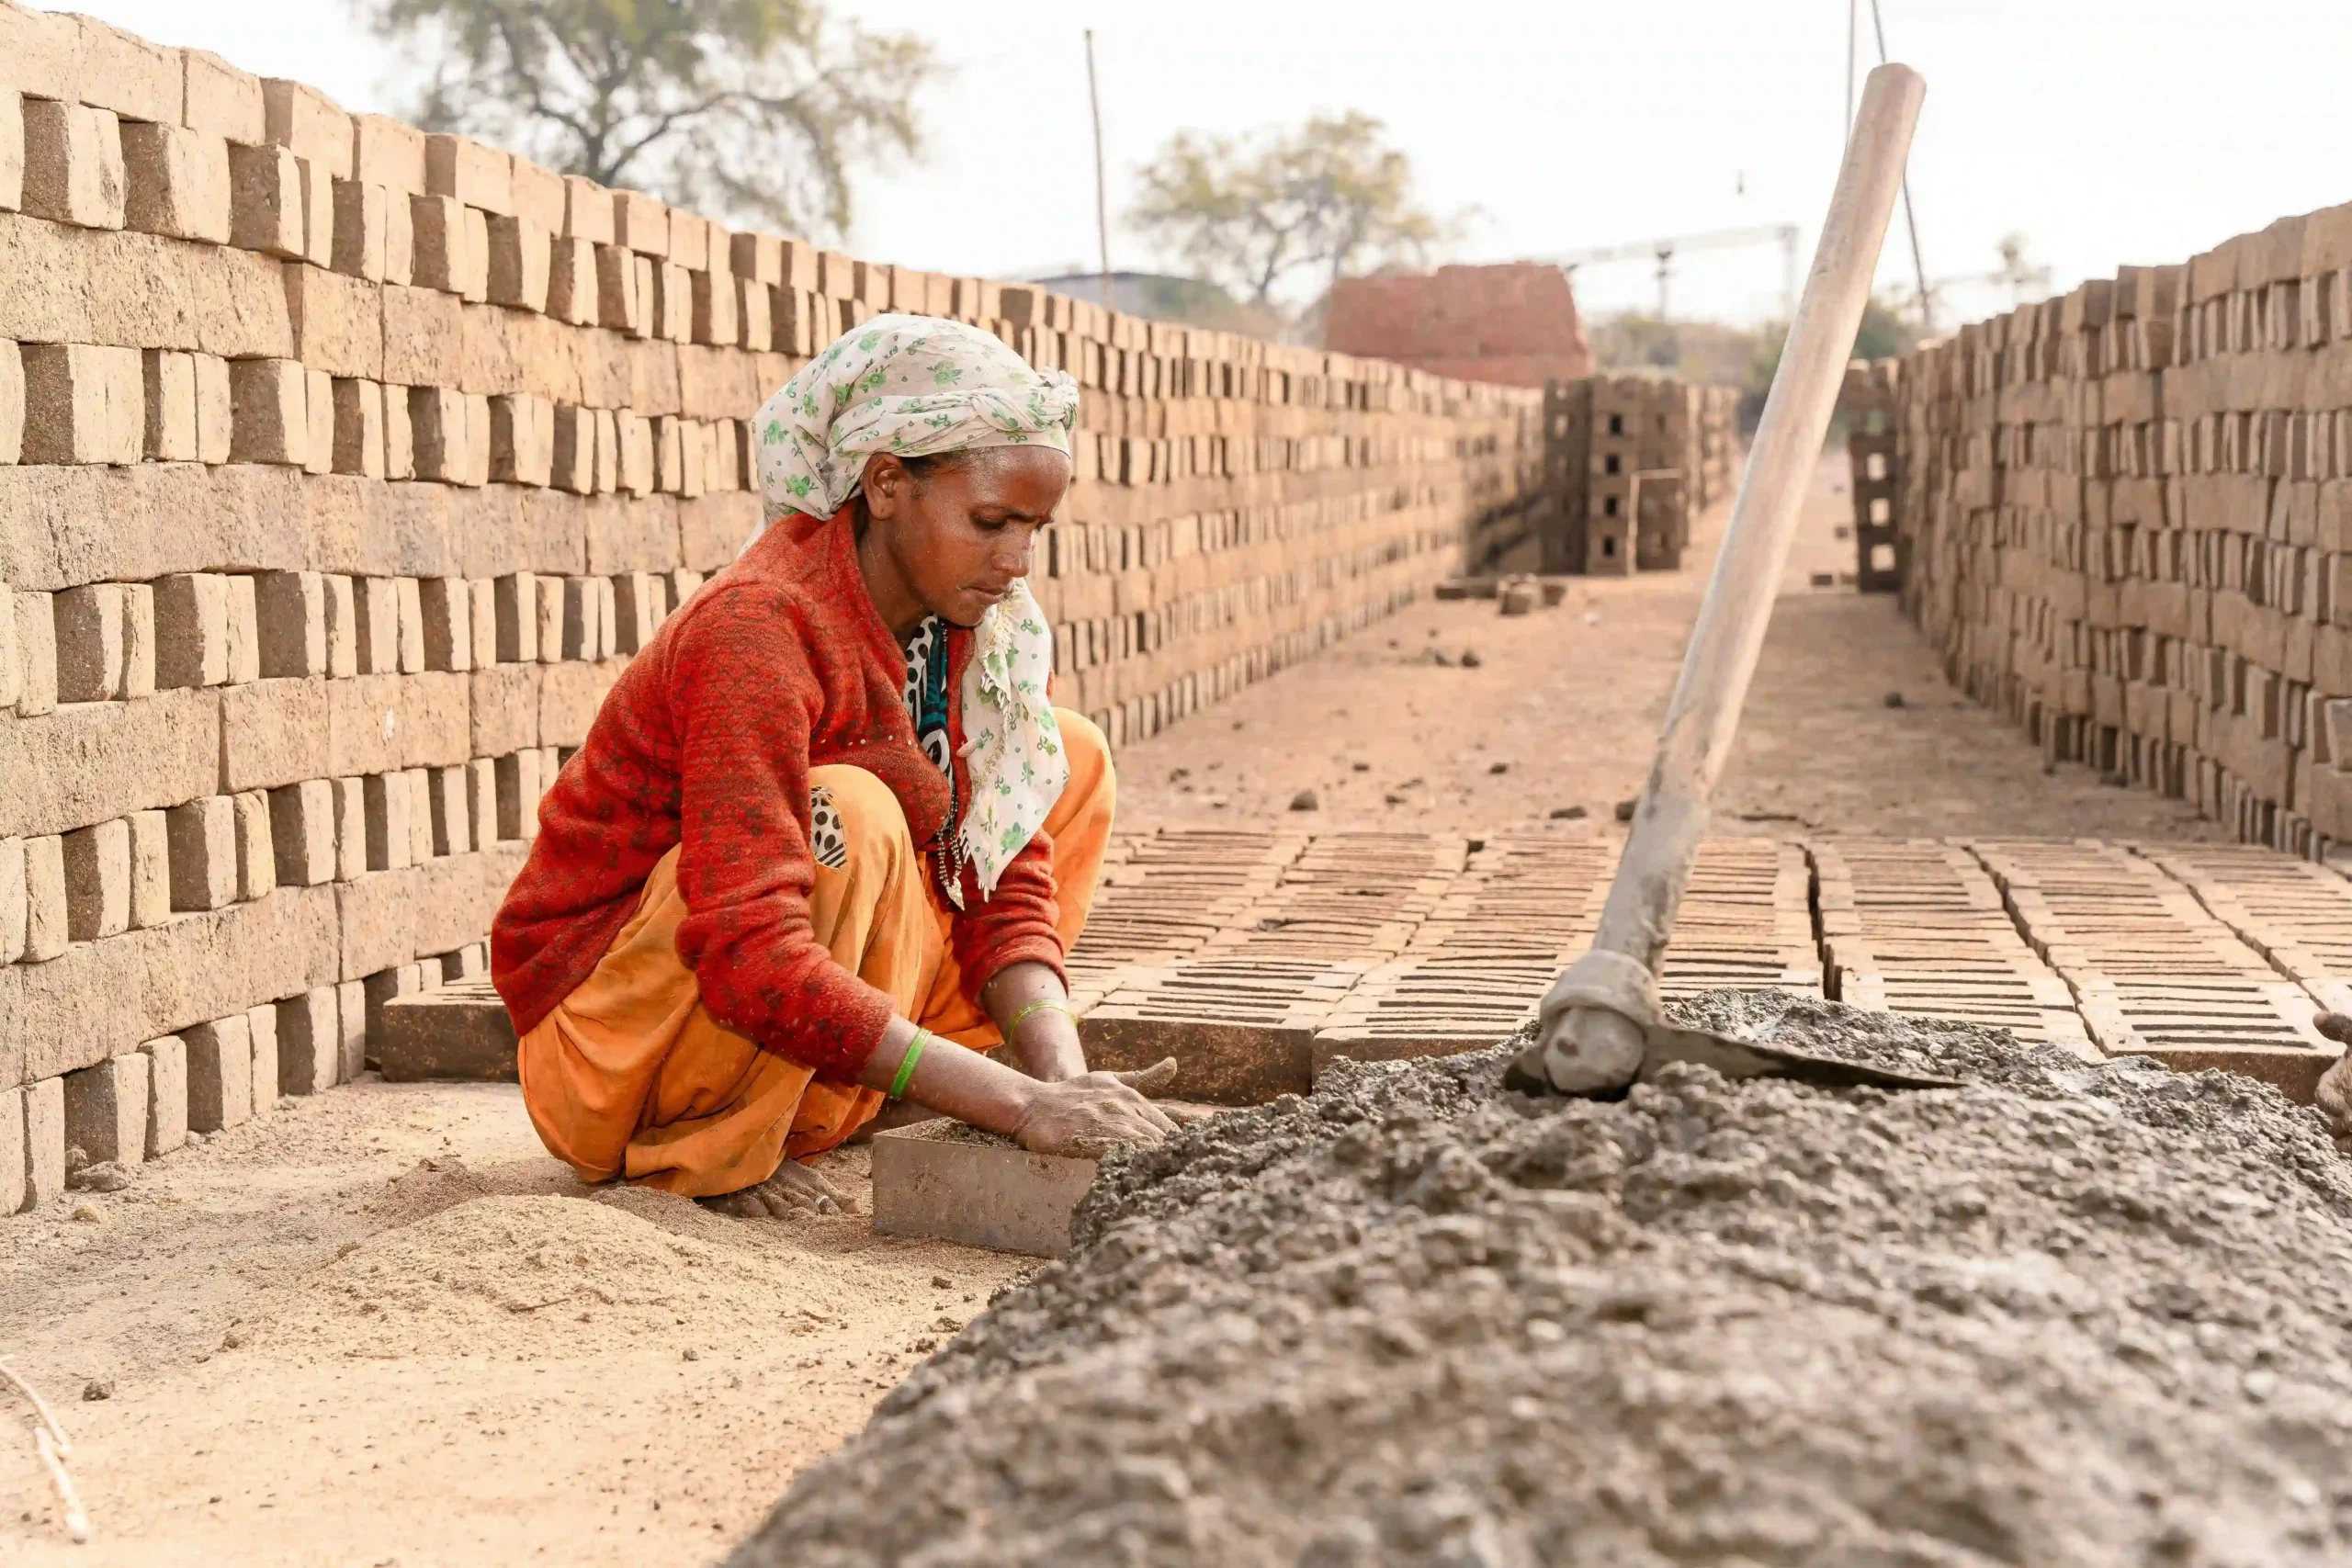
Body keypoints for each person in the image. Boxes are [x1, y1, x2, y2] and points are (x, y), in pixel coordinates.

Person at [491, 314, 1176, 1216]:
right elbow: (751, 954)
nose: (1015, 562)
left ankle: (834, 1100)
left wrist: (1064, 1075)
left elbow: (996, 877)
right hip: (619, 1045)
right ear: (886, 483)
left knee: (1064, 757)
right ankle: (702, 1149)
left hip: (778, 1016)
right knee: (847, 818)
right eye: (990, 522)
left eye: (1034, 529)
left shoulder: (964, 629)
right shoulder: (759, 629)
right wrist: (1018, 1108)